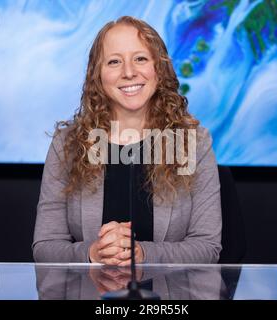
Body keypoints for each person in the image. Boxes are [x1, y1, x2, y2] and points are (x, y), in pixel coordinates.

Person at [32, 16, 222, 265]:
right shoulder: (67, 143)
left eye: (140, 59)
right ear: (97, 75)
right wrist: (92, 253)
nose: (129, 72)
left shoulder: (194, 142)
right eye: (114, 62)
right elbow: (45, 247)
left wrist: (143, 254)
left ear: (159, 67)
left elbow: (207, 247)